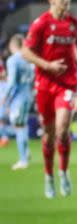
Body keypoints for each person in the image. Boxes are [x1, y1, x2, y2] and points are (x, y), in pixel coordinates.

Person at [21, 0, 77, 199]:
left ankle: (64, 171)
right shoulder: (41, 24)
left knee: (62, 129)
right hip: (45, 84)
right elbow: (26, 52)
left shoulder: (74, 24)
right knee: (49, 136)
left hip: (68, 82)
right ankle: (48, 176)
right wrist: (48, 65)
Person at [4, 35, 35, 170]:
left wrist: (6, 96)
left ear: (12, 46)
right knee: (21, 124)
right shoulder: (29, 59)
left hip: (19, 97)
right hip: (28, 94)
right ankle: (26, 153)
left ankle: (23, 160)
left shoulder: (13, 60)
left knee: (19, 126)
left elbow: (11, 83)